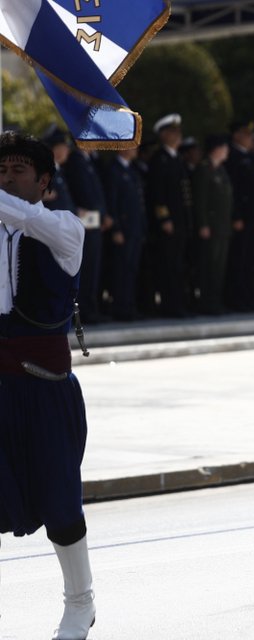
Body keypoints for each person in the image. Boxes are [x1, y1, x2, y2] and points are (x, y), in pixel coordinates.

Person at [0, 131, 95, 639]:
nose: (7, 178)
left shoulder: (62, 228)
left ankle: (80, 601)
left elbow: (25, 218)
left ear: (44, 182)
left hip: (45, 388)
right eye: (1, 171)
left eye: (18, 171)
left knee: (60, 504)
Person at [146, 113, 191, 317]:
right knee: (168, 265)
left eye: (178, 132)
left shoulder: (177, 159)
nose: (177, 135)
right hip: (168, 223)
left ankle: (178, 303)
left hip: (180, 220)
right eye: (173, 132)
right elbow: (158, 193)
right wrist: (164, 218)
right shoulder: (159, 160)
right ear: (163, 135)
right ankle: (169, 305)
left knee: (179, 264)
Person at [224, 121, 254, 312]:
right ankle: (238, 298)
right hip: (243, 219)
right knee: (240, 260)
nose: (251, 139)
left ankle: (250, 297)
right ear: (237, 136)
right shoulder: (232, 157)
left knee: (251, 261)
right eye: (247, 135)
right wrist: (237, 216)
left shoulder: (250, 156)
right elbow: (233, 191)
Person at [62, 141, 108, 323]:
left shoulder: (88, 161)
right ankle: (83, 312)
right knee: (85, 269)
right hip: (84, 223)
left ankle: (90, 308)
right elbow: (84, 194)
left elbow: (97, 193)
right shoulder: (76, 161)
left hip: (94, 222)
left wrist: (103, 215)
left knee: (93, 269)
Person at [103, 146, 147, 321]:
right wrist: (116, 229)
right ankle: (120, 307)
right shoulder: (114, 170)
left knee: (131, 269)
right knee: (121, 269)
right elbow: (112, 201)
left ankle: (129, 305)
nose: (136, 149)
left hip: (135, 228)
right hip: (124, 228)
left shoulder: (132, 169)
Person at [192, 135, 234, 315]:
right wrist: (202, 224)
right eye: (224, 147)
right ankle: (206, 302)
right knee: (208, 265)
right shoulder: (204, 170)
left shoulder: (220, 170)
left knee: (219, 266)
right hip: (210, 226)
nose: (227, 151)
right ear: (216, 149)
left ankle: (215, 301)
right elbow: (200, 200)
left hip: (222, 226)